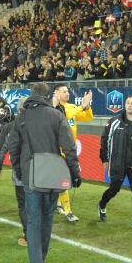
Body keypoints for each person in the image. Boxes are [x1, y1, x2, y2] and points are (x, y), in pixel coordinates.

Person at [8, 82, 81, 263]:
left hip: (30, 175)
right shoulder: (56, 115)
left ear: (32, 94)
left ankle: (37, 260)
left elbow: (13, 147)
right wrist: (74, 172)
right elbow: (69, 147)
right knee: (47, 218)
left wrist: (18, 169)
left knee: (33, 220)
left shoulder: (22, 117)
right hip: (52, 174)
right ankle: (41, 258)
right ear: (48, 96)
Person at [98, 95, 132, 232]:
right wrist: (104, 159)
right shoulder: (115, 122)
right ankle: (102, 205)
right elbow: (105, 140)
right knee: (114, 190)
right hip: (119, 163)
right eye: (127, 103)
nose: (129, 105)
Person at [52, 85, 93, 223]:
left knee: (61, 178)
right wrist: (82, 106)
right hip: (57, 149)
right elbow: (67, 115)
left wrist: (86, 107)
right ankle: (68, 211)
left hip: (69, 149)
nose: (67, 93)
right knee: (63, 179)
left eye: (68, 91)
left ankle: (57, 203)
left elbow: (88, 118)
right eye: (64, 91)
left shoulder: (72, 107)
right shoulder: (54, 108)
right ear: (56, 93)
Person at [0, 97, 28, 247]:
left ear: (18, 110)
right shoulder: (44, 124)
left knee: (24, 205)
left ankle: (29, 235)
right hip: (42, 171)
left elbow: (0, 149)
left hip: (21, 173)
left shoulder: (11, 127)